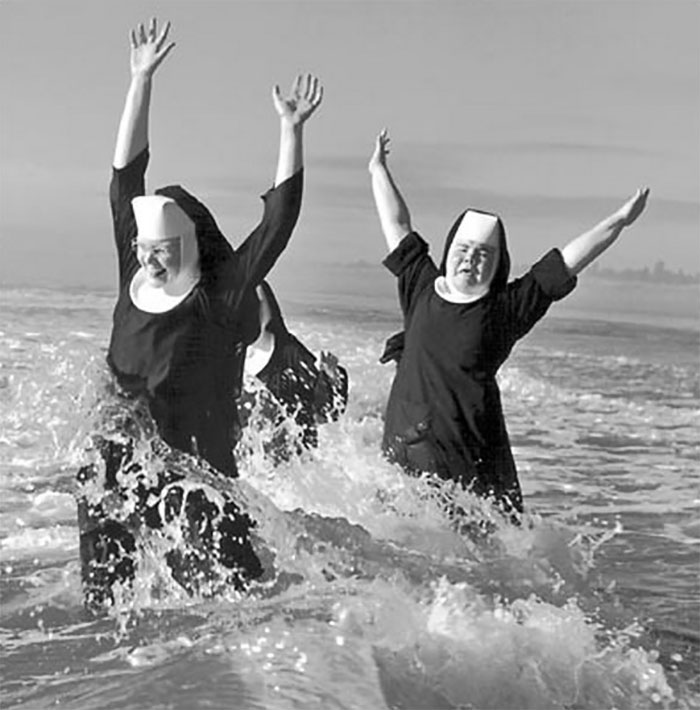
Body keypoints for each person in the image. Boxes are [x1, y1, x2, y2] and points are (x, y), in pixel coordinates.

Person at [76, 18, 323, 609]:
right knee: (105, 608)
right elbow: (123, 178)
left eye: (162, 251)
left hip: (196, 477)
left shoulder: (222, 295)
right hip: (118, 466)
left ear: (187, 246)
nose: (150, 261)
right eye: (144, 249)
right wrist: (140, 81)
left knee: (233, 604)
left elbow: (277, 225)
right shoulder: (130, 272)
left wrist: (290, 132)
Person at [368, 128, 649, 516]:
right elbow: (397, 224)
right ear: (450, 250)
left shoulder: (506, 308)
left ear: (498, 264)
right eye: (464, 250)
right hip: (405, 447)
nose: (471, 260)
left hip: (470, 460)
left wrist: (618, 221)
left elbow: (568, 261)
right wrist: (377, 170)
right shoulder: (420, 284)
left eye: (484, 254)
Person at [237, 280, 349, 464]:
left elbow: (327, 411)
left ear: (267, 307)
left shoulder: (289, 352)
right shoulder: (225, 361)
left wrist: (331, 376)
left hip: (295, 470)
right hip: (252, 472)